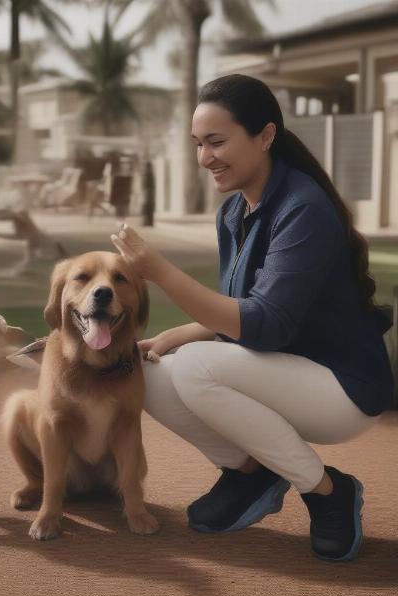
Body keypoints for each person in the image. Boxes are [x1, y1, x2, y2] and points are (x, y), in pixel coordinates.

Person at [110, 74, 394, 562]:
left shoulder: (304, 207)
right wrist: (173, 335)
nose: (205, 158)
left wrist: (159, 272)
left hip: (343, 389)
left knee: (199, 367)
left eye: (217, 142)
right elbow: (243, 307)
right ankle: (251, 472)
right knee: (152, 372)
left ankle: (328, 492)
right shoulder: (231, 214)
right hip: (282, 370)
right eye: (199, 145)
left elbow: (265, 324)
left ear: (265, 136)